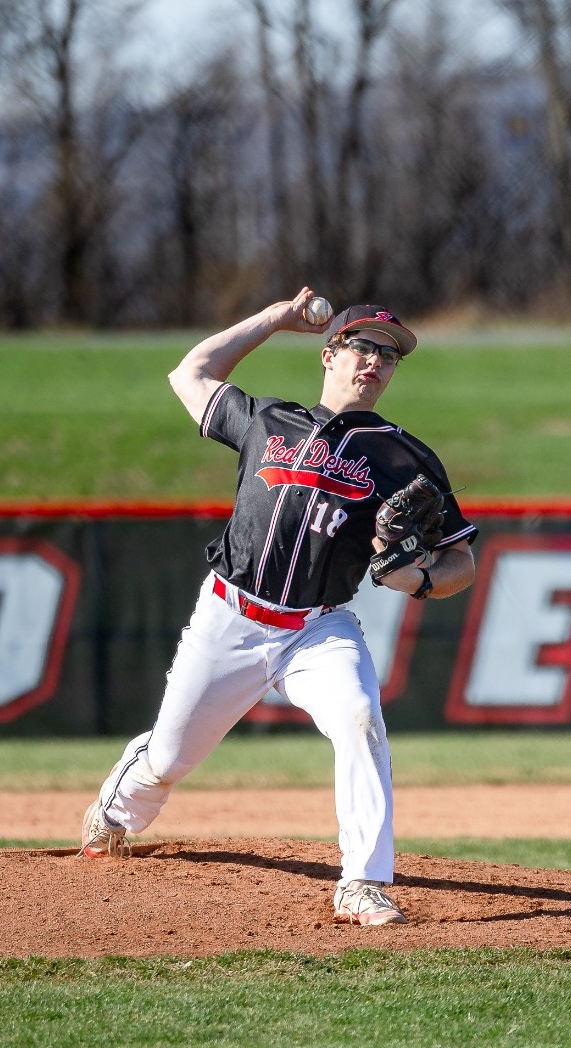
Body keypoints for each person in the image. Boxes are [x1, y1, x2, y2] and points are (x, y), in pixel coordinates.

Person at [79, 289, 477, 927]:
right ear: (329, 353)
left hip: (317, 628)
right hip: (230, 616)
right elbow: (190, 374)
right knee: (168, 760)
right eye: (364, 347)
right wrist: (273, 319)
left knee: (358, 718)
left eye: (390, 356)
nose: (376, 362)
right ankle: (116, 812)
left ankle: (362, 883)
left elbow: (462, 564)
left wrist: (421, 576)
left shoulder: (404, 457)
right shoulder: (268, 421)